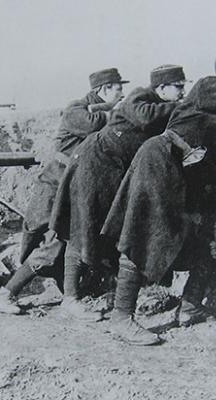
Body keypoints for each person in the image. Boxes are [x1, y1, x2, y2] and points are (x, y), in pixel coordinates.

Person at [50, 64, 187, 319]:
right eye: (178, 87)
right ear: (161, 88)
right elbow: (145, 116)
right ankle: (70, 300)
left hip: (113, 168)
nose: (182, 92)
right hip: (96, 163)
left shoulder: (160, 105)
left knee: (103, 228)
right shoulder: (141, 95)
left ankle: (102, 290)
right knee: (83, 227)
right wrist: (182, 107)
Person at [0, 68, 129, 314]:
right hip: (55, 189)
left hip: (74, 188)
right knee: (52, 246)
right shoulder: (76, 108)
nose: (122, 92)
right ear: (105, 89)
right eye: (118, 88)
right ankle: (6, 295)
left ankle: (71, 293)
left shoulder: (100, 108)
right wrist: (115, 111)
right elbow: (94, 125)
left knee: (71, 242)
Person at [102, 76, 216, 345]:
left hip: (187, 171)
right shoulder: (208, 89)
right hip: (161, 162)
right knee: (144, 236)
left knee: (206, 236)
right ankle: (121, 318)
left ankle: (189, 307)